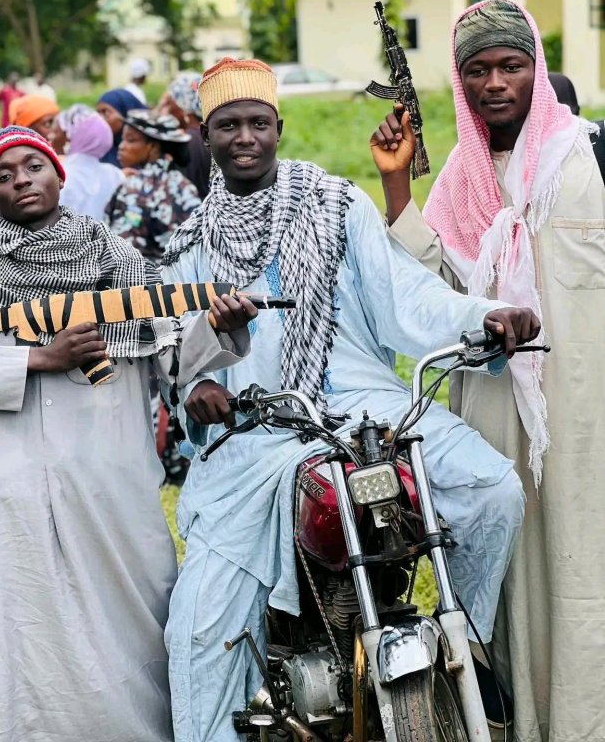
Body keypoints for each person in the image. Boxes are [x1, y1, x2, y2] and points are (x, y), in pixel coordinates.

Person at [161, 55, 540, 742]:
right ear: (205, 135)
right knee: (199, 620)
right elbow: (176, 351)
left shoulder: (337, 205)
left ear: (279, 127)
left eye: (257, 123)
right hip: (260, 432)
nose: (244, 137)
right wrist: (202, 384)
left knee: (493, 492)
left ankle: (467, 647)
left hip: (370, 406)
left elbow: (407, 296)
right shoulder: (191, 245)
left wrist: (481, 316)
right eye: (227, 125)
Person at [0, 124, 255, 742]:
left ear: (59, 173)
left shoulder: (114, 257)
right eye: (5, 175)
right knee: (17, 617)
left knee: (128, 612)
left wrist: (218, 325)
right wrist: (41, 356)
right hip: (8, 478)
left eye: (32, 166)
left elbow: (173, 352)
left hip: (109, 480)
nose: (22, 180)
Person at [370, 0, 605, 742]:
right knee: (509, 576)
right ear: (460, 81)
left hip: (586, 411)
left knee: (585, 567)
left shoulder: (591, 154)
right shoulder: (460, 184)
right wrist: (398, 185)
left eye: (511, 65)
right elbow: (424, 289)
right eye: (477, 70)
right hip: (494, 411)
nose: (495, 83)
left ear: (536, 68)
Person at [107, 110, 200, 262]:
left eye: (130, 140)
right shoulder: (186, 186)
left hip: (142, 282)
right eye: (122, 139)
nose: (122, 146)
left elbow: (121, 250)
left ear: (154, 147)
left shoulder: (135, 188)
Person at [58, 109, 123, 218]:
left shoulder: (60, 175)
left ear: (69, 137)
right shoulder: (115, 174)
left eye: (56, 131)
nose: (51, 136)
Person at [160, 71, 212, 199]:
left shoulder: (186, 142)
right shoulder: (211, 135)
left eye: (169, 102)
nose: (166, 109)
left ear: (182, 106)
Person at [96, 87, 143, 166]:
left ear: (124, 112)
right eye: (98, 113)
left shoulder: (146, 144)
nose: (100, 118)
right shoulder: (99, 147)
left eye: (105, 112)